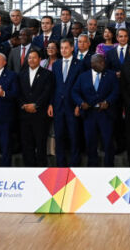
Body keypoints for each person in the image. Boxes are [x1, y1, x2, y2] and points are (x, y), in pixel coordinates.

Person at [72, 54, 120, 167]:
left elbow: (116, 91)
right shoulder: (83, 76)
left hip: (106, 114)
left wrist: (107, 102)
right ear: (92, 64)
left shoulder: (111, 75)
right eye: (100, 62)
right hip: (89, 114)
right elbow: (75, 91)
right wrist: (81, 103)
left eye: (103, 62)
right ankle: (92, 167)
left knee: (108, 142)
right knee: (90, 142)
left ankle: (109, 167)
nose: (103, 64)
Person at [50, 38, 84, 166]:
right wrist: (50, 104)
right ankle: (60, 164)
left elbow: (81, 87)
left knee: (74, 136)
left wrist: (78, 104)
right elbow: (53, 86)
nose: (63, 50)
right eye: (61, 48)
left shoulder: (79, 64)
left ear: (71, 48)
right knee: (59, 136)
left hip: (73, 105)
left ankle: (75, 164)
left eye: (66, 47)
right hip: (58, 106)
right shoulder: (56, 64)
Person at [18, 49, 54, 167]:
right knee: (26, 144)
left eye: (34, 57)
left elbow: (47, 92)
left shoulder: (47, 74)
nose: (31, 60)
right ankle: (29, 168)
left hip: (40, 114)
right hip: (24, 114)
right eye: (29, 58)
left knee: (40, 143)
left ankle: (41, 168)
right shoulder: (21, 74)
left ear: (39, 60)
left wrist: (36, 105)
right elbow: (18, 93)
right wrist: (24, 105)